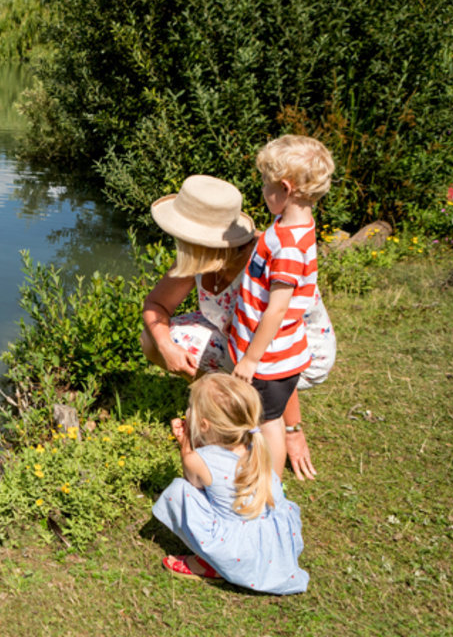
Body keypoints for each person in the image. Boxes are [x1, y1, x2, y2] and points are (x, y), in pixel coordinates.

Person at [141, 174, 335, 480]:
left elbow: (280, 351)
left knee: (261, 404)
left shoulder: (261, 266)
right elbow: (155, 305)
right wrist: (166, 346)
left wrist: (293, 429)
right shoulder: (200, 257)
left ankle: (250, 419)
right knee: (152, 338)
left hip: (293, 353)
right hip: (243, 341)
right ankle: (227, 401)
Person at [227, 135, 335, 479]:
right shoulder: (292, 227)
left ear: (285, 189)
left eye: (265, 183)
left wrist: (250, 359)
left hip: (270, 360)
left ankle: (269, 487)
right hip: (278, 354)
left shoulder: (288, 246)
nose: (262, 189)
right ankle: (255, 471)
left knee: (268, 422)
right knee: (259, 417)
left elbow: (276, 309)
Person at [152, 374, 308, 593]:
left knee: (179, 492)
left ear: (204, 425)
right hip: (273, 542)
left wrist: (186, 445)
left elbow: (193, 481)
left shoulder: (201, 460)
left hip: (236, 550)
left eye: (190, 407)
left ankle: (209, 564)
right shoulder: (257, 447)